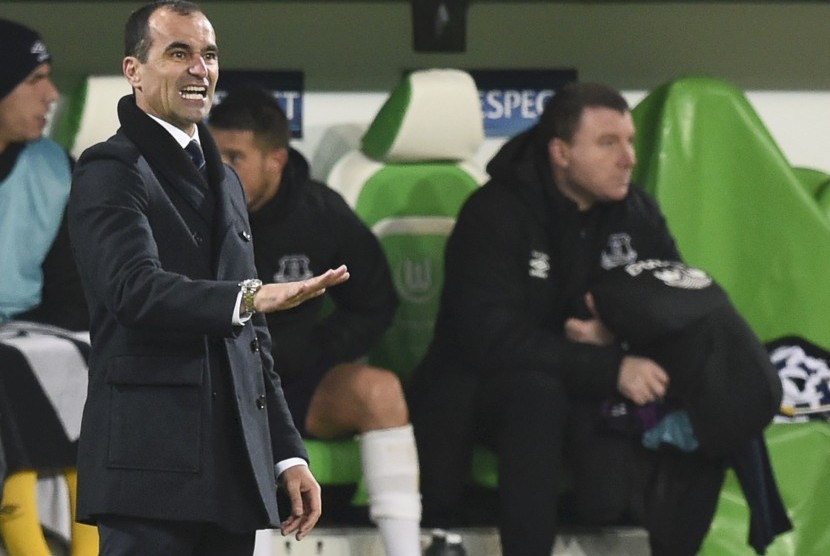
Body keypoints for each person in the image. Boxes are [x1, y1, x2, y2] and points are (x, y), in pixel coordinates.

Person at [67, 2, 349, 554]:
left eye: (209, 55)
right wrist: (249, 296)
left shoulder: (226, 181)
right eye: (179, 53)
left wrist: (286, 453)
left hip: (229, 466)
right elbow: (132, 289)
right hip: (150, 467)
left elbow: (252, 341)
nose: (201, 69)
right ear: (134, 71)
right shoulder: (109, 169)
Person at [409, 82, 729, 556]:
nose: (629, 158)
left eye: (630, 141)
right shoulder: (496, 212)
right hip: (481, 390)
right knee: (534, 394)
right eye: (608, 143)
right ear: (560, 152)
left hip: (582, 381)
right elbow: (489, 339)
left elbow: (673, 304)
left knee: (716, 387)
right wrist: (609, 367)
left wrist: (615, 340)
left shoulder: (635, 211)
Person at [208, 85, 423, 556]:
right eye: (212, 152)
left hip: (295, 376)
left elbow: (374, 302)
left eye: (235, 157)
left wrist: (318, 347)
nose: (218, 169)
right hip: (220, 383)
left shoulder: (320, 211)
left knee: (380, 391)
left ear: (276, 160)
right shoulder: (193, 213)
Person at [0, 18, 97, 556]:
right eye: (35, 79)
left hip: (28, 331)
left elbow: (72, 294)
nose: (51, 94)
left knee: (89, 359)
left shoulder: (56, 168)